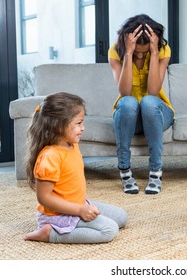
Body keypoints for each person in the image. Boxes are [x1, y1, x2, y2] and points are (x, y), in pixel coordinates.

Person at [24, 92, 128, 243]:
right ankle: (50, 233)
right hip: (57, 215)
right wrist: (79, 211)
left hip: (78, 204)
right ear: (58, 125)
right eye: (78, 123)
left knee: (121, 217)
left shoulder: (72, 145)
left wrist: (82, 208)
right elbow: (44, 198)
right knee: (109, 230)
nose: (83, 127)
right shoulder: (50, 157)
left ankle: (75, 225)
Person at [108, 14, 174, 195]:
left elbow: (153, 91)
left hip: (157, 113)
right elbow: (125, 92)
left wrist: (153, 53)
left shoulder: (161, 50)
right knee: (127, 102)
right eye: (137, 50)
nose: (140, 54)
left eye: (143, 52)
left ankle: (155, 172)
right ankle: (125, 171)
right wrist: (128, 54)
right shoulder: (116, 51)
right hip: (129, 116)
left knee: (148, 101)